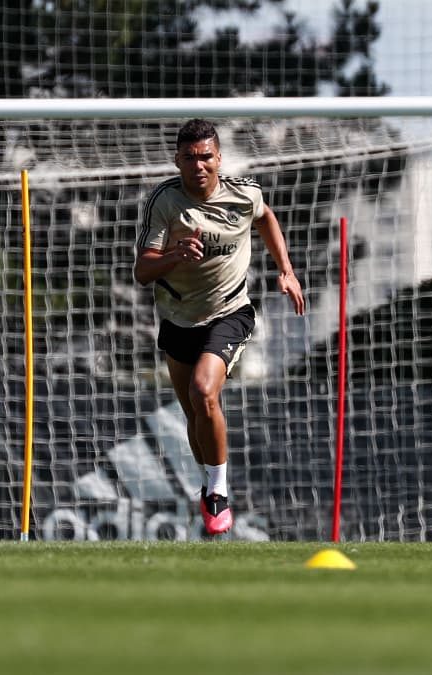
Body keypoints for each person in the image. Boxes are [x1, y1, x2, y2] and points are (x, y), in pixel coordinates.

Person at [134, 118, 305, 536]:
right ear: (178, 161)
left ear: (218, 158)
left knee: (203, 391)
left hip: (231, 312)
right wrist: (175, 254)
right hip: (178, 319)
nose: (199, 165)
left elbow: (266, 217)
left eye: (206, 156)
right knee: (195, 415)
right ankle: (209, 481)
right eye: (190, 158)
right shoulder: (165, 202)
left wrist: (286, 270)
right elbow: (142, 271)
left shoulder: (244, 193)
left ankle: (217, 492)